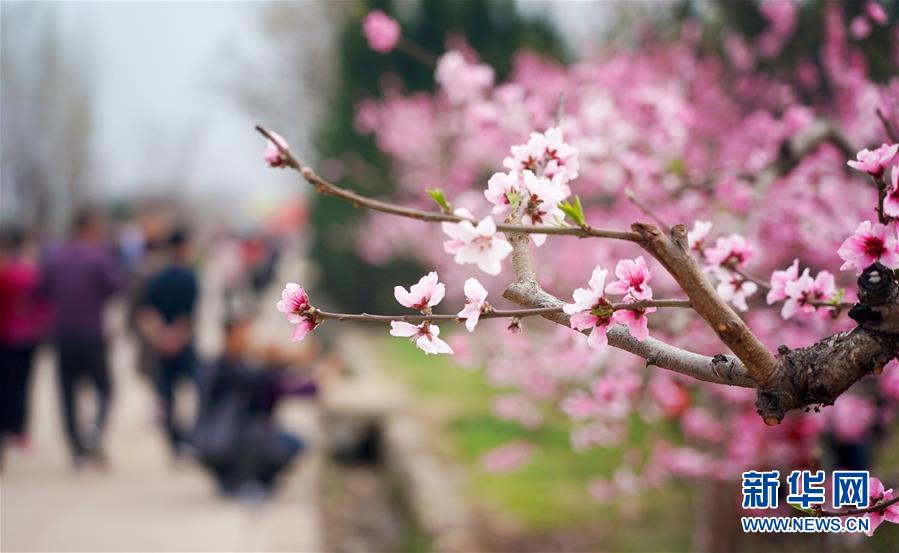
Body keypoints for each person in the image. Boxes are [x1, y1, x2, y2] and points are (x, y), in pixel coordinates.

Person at [192, 318, 316, 500]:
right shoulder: (224, 368)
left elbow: (282, 385)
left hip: (232, 437)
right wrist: (284, 360)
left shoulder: (239, 365)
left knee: (287, 441)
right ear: (230, 336)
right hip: (226, 439)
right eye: (243, 334)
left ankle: (251, 480)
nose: (248, 340)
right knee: (262, 438)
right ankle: (245, 481)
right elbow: (259, 380)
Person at [41, 208, 124, 468]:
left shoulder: (55, 257)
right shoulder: (98, 257)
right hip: (91, 334)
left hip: (63, 334)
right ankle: (95, 432)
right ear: (89, 228)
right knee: (106, 389)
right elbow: (116, 287)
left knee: (67, 392)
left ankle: (76, 448)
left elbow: (42, 290)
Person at [138, 228, 198, 458]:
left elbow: (147, 310)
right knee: (194, 388)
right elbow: (188, 313)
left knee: (167, 395)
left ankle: (175, 443)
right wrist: (178, 336)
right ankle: (190, 437)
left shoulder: (155, 277)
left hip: (161, 344)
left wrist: (162, 335)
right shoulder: (189, 276)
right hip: (182, 343)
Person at [0, 227, 50, 460]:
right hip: (26, 337)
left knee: (7, 385)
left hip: (9, 336)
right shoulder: (28, 272)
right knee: (22, 383)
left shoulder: (9, 272)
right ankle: (19, 430)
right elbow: (42, 304)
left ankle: (8, 429)